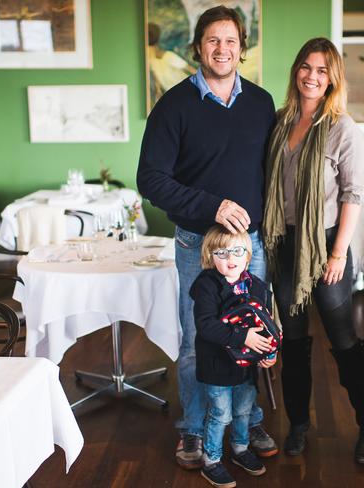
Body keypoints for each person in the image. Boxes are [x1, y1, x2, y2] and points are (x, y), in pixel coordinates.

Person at [137, 5, 277, 470]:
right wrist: (212, 206)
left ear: (242, 47)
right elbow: (151, 180)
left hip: (250, 246)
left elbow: (270, 175)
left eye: (231, 40)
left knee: (250, 332)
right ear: (198, 47)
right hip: (197, 246)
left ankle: (246, 420)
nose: (223, 49)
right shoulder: (173, 105)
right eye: (213, 40)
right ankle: (195, 429)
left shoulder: (260, 103)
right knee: (200, 339)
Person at [263, 37, 364, 463]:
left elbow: (353, 194)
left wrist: (338, 254)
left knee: (343, 339)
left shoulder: (343, 129)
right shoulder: (280, 121)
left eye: (322, 70)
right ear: (297, 71)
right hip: (285, 243)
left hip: (326, 244)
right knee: (293, 342)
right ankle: (297, 425)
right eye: (306, 67)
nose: (313, 76)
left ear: (333, 79)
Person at [190, 225, 276, 487]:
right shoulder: (206, 285)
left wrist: (269, 353)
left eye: (237, 251)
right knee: (221, 414)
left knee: (243, 411)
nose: (231, 259)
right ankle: (212, 460)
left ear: (248, 255)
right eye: (222, 253)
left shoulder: (257, 286)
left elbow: (266, 324)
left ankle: (240, 450)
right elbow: (206, 326)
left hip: (246, 368)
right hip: (216, 366)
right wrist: (243, 337)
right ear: (210, 256)